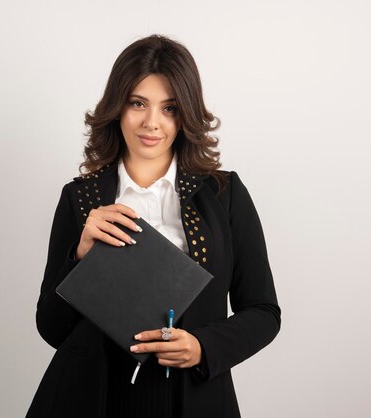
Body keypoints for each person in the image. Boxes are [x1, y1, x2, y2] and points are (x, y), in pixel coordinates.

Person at [26, 34, 281, 418]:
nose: (152, 123)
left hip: (193, 397)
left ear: (187, 115)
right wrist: (79, 257)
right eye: (137, 103)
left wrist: (202, 347)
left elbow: (263, 312)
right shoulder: (79, 198)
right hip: (92, 396)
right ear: (117, 108)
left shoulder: (224, 194)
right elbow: (51, 327)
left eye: (170, 108)